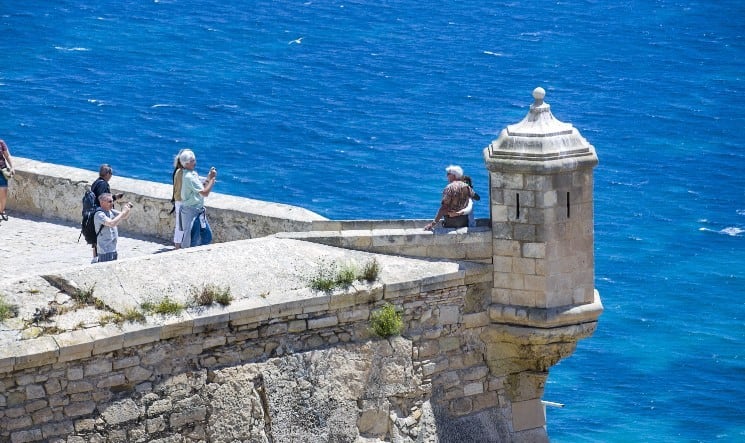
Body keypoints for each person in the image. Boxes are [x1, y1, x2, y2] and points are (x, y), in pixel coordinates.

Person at [178, 150, 217, 248]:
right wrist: (212, 180)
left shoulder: (193, 174)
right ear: (186, 163)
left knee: (207, 237)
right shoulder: (189, 177)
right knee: (192, 240)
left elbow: (201, 188)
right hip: (191, 211)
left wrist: (208, 178)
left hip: (198, 210)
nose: (195, 162)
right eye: (192, 161)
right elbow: (205, 193)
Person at [424, 165, 474, 231]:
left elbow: (443, 208)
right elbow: (472, 202)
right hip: (464, 222)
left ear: (453, 175)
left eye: (448, 174)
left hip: (451, 222)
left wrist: (433, 224)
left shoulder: (449, 188)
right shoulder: (467, 187)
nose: (447, 176)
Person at [89, 164, 124, 258]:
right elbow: (103, 200)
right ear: (107, 173)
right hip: (101, 215)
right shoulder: (103, 184)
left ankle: (95, 260)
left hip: (93, 213)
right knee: (102, 239)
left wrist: (114, 197)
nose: (111, 175)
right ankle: (98, 261)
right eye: (111, 173)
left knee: (96, 240)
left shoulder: (96, 182)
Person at [93, 193, 132, 263]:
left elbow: (124, 216)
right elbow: (111, 223)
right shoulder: (99, 214)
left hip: (113, 248)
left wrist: (127, 209)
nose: (112, 203)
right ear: (102, 202)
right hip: (105, 250)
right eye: (109, 201)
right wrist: (123, 212)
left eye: (112, 201)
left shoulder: (110, 211)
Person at [171, 150, 185, 249]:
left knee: (179, 224)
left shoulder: (176, 171)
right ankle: (178, 246)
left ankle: (178, 245)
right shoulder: (181, 172)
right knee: (180, 225)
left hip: (178, 199)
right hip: (181, 200)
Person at [0, 139, 16, 222]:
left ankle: (1, 211)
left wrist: (12, 167)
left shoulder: (1, 143)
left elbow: (7, 155)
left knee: (3, 191)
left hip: (2, 171)